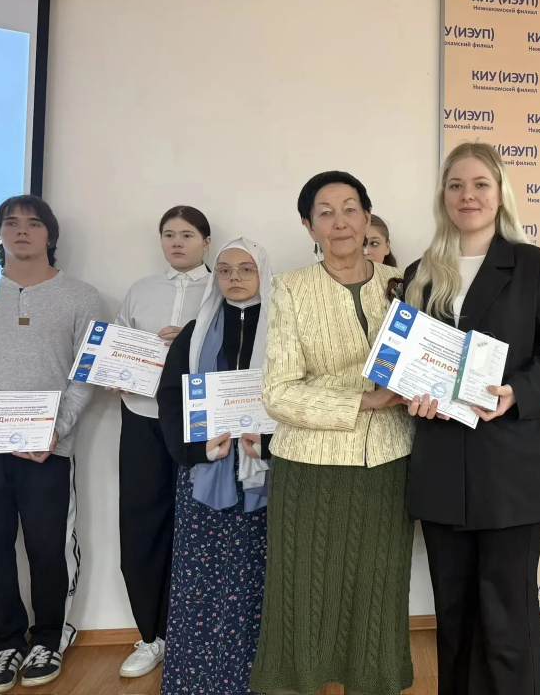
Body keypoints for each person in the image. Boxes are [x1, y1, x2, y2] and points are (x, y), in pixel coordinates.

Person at [404, 142, 540, 695]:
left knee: (507, 620)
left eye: (480, 184)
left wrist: (517, 392)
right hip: (442, 467)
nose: (468, 196)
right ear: (443, 196)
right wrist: (411, 393)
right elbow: (408, 362)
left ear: (500, 193)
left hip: (511, 467)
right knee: (454, 617)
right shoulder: (418, 273)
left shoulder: (531, 264)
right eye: (456, 185)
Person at [251, 172, 415, 695]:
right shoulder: (292, 288)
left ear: (367, 217)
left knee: (378, 591)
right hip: (310, 467)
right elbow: (278, 393)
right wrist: (364, 400)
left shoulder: (404, 284)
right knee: (304, 591)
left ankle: (375, 683)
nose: (339, 221)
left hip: (388, 461)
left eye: (350, 208)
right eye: (325, 212)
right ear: (309, 226)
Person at [0, 195, 101, 693]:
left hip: (47, 449)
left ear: (49, 234)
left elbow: (85, 374)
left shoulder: (81, 296)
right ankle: (2, 643)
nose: (21, 230)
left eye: (33, 223)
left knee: (48, 548)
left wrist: (58, 429)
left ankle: (49, 638)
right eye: (10, 223)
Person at [155, 237, 273, 695]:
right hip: (206, 472)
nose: (234, 278)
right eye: (224, 270)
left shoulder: (284, 326)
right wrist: (198, 450)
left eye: (246, 269)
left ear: (263, 272)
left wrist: (270, 444)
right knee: (201, 582)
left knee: (257, 581)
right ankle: (197, 681)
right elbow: (171, 399)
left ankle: (256, 680)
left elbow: (296, 391)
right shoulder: (196, 331)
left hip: (266, 475)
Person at [114, 206, 212, 678]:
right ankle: (152, 636)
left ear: (206, 242)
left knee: (201, 528)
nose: (177, 242)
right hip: (141, 415)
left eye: (187, 235)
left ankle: (196, 633)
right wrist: (123, 364)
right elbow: (116, 352)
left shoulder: (223, 287)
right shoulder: (140, 290)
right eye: (169, 234)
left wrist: (186, 346)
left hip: (198, 422)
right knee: (141, 525)